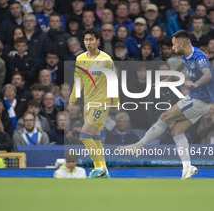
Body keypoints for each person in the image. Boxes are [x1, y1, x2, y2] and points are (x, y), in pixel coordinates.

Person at [119, 30, 214, 180]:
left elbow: (207, 74)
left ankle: (138, 146)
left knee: (165, 116)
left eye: (174, 44)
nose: (173, 48)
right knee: (177, 130)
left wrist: (195, 84)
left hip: (199, 100)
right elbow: (182, 65)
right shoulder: (187, 54)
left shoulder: (199, 57)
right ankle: (188, 167)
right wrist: (169, 79)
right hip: (201, 101)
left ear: (182, 43)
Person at [68, 27, 118, 178]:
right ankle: (104, 170)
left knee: (84, 135)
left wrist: (115, 102)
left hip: (101, 103)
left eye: (91, 39)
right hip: (87, 103)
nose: (88, 42)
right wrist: (72, 100)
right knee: (95, 137)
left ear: (98, 41)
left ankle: (98, 167)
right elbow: (78, 81)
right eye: (86, 40)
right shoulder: (80, 59)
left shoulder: (106, 60)